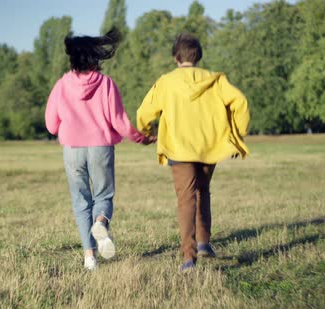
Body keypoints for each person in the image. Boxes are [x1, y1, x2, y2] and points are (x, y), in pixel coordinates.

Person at [136, 33, 250, 271]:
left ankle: (189, 257)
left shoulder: (166, 81)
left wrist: (145, 133)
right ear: (198, 56)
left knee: (186, 199)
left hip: (179, 147)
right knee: (203, 191)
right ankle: (204, 243)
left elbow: (144, 112)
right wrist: (237, 133)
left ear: (176, 57)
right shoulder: (216, 80)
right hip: (210, 146)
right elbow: (240, 102)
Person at [45, 27, 155, 271]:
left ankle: (89, 257)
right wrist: (141, 138)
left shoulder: (62, 85)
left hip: (72, 149)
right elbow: (119, 122)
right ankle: (101, 222)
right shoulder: (106, 84)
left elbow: (51, 125)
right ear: (96, 57)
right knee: (103, 196)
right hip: (101, 147)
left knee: (80, 200)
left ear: (72, 57)